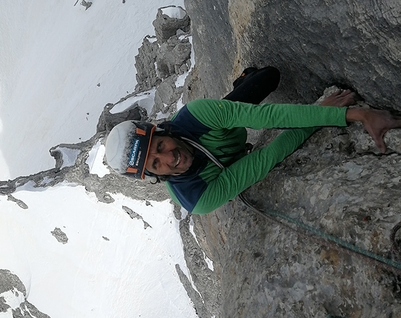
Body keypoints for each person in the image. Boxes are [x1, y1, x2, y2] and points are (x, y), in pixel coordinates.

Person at [104, 67, 401, 214]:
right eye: (156, 163)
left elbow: (271, 118)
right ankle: (235, 102)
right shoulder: (197, 198)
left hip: (222, 126)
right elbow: (268, 156)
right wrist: (326, 115)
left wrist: (354, 114)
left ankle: (243, 81)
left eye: (159, 146)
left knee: (269, 76)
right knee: (241, 112)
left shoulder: (196, 116)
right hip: (230, 147)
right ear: (154, 176)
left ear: (162, 132)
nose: (169, 157)